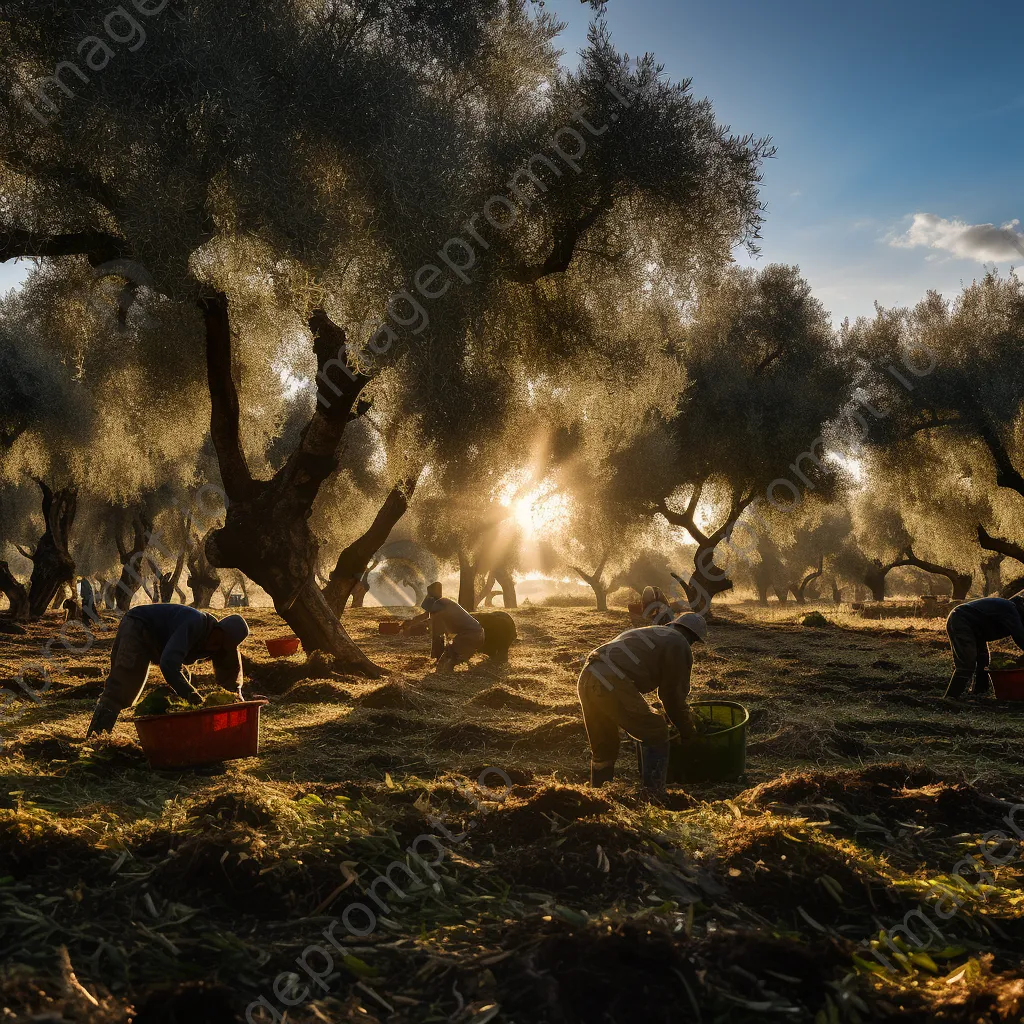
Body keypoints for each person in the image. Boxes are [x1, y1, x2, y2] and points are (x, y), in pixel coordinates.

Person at [577, 611, 707, 793]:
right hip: (610, 680)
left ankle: (597, 797)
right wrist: (687, 731)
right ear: (692, 637)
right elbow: (672, 697)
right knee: (656, 731)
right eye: (693, 642)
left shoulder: (653, 632)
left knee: (604, 748)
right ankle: (653, 796)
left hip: (587, 676)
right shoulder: (679, 642)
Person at [86, 605, 250, 736]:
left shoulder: (222, 644)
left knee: (183, 679)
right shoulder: (195, 623)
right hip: (139, 627)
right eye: (219, 641)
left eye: (223, 646)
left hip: (160, 643)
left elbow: (230, 674)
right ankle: (96, 738)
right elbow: (169, 664)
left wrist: (237, 700)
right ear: (217, 629)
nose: (217, 647)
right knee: (122, 689)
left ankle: (172, 734)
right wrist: (192, 695)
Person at [943, 594, 1024, 699]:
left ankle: (979, 692)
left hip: (976, 629)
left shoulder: (1014, 610)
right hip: (961, 620)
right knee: (967, 663)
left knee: (983, 660)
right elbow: (1020, 637)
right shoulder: (1009, 609)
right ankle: (950, 698)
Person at [401, 581, 485, 671]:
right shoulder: (443, 603)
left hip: (468, 637)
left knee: (444, 665)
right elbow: (426, 616)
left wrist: (437, 657)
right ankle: (461, 657)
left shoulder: (439, 608)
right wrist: (410, 622)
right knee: (448, 659)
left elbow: (438, 635)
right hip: (477, 636)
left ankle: (457, 659)